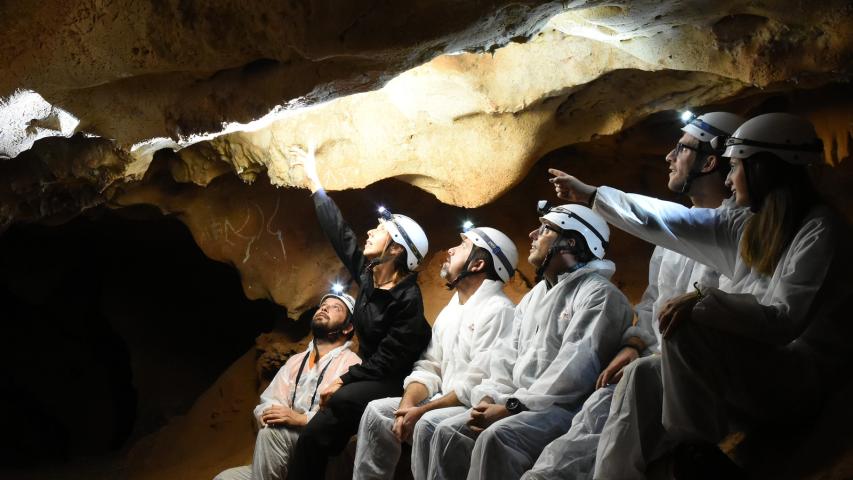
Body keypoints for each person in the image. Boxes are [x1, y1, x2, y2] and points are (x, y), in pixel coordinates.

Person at [551, 113, 851, 479]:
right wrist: (594, 196)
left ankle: (695, 451)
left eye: (735, 167)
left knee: (687, 323)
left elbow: (783, 322)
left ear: (762, 169)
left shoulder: (819, 230)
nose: (727, 178)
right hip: (754, 371)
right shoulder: (749, 225)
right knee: (642, 375)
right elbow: (667, 219)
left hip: (796, 382)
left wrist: (702, 301)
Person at [523, 111, 745, 480]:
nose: (669, 157)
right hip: (648, 365)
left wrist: (593, 196)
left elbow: (730, 315)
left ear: (709, 162)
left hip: (688, 378)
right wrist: (634, 343)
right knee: (580, 435)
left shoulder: (736, 231)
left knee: (614, 443)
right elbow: (653, 300)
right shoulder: (672, 241)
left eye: (681, 148)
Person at [427, 202, 634, 480]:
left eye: (545, 229)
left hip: (564, 410)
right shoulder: (534, 296)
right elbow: (505, 357)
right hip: (520, 402)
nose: (532, 235)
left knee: (498, 437)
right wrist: (489, 398)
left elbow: (574, 372)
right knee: (448, 431)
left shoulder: (598, 294)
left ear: (570, 242)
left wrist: (511, 407)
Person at [289, 146, 433, 479]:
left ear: (395, 248)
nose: (369, 232)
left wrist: (343, 379)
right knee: (311, 438)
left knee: (342, 399)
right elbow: (342, 237)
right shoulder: (370, 277)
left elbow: (389, 360)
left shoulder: (408, 299)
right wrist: (314, 183)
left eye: (379, 231)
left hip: (396, 379)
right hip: (371, 374)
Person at [353, 224, 518, 480]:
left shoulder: (499, 310)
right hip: (443, 400)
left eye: (462, 246)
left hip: (472, 405)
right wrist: (407, 405)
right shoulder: (451, 310)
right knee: (378, 412)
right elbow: (429, 366)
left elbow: (478, 383)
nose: (450, 250)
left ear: (478, 265)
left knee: (430, 425)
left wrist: (422, 411)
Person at [214, 288, 361, 480]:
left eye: (336, 308)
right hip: (283, 451)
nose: (324, 309)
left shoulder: (352, 364)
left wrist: (301, 419)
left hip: (322, 457)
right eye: (323, 306)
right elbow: (269, 401)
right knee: (225, 478)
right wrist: (270, 414)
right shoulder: (295, 361)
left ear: (347, 328)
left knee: (271, 434)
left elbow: (343, 419)